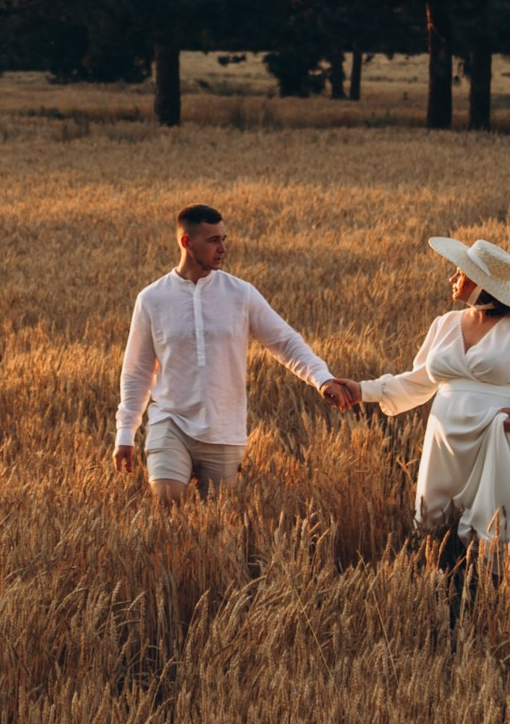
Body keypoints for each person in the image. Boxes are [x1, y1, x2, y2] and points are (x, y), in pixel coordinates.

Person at [349, 237, 510, 614]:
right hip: (443, 443)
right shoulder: (444, 324)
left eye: (460, 273)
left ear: (480, 283)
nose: (452, 278)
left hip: (495, 441)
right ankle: (439, 609)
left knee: (488, 532)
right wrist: (361, 390)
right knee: (435, 530)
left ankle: (487, 612)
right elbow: (417, 382)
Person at [115, 204, 357, 505]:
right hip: (171, 420)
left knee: (216, 521)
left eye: (224, 239)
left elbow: (285, 342)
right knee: (168, 503)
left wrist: (322, 379)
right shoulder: (152, 299)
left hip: (224, 429)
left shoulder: (241, 294)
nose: (222, 249)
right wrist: (125, 432)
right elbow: (137, 371)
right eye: (213, 240)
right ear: (186, 242)